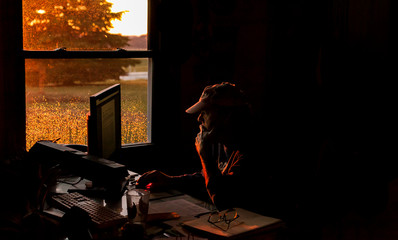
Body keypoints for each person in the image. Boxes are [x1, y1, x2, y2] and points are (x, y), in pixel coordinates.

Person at [137, 82, 263, 211]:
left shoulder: (251, 152)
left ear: (226, 116)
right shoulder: (222, 139)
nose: (199, 118)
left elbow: (224, 201)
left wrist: (206, 156)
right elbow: (207, 177)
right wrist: (170, 180)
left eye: (205, 112)